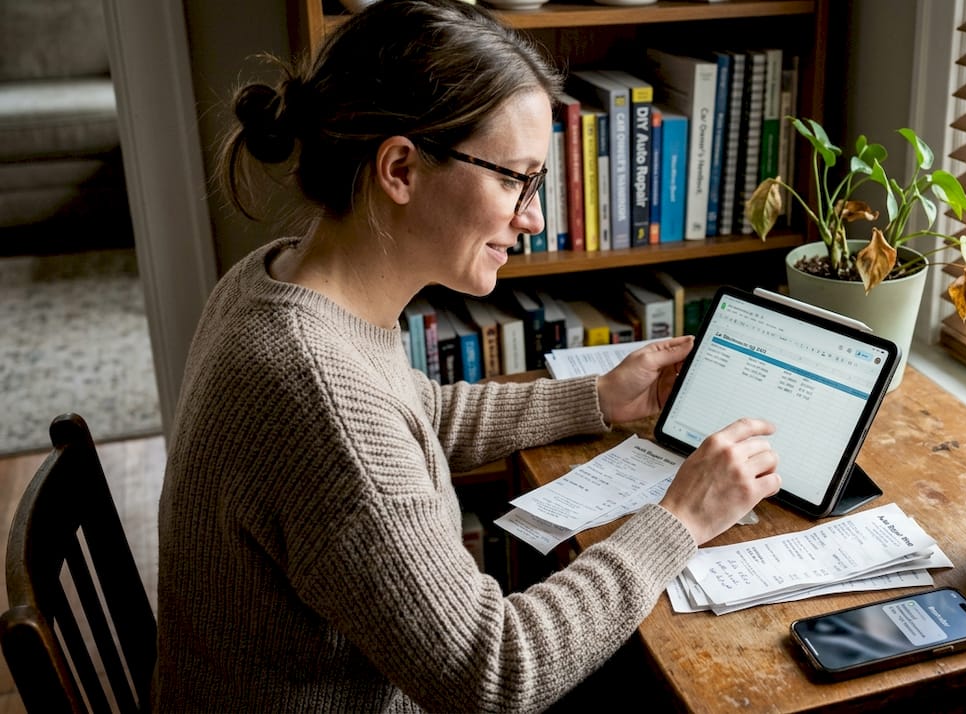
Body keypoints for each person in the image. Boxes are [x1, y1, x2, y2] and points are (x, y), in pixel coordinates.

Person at [154, 1, 781, 711]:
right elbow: (496, 674)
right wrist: (683, 519)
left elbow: (413, 414)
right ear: (399, 168)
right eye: (515, 178)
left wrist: (598, 398)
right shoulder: (313, 391)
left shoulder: (275, 281)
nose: (535, 218)